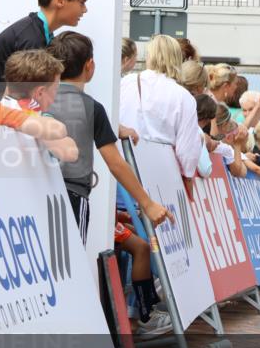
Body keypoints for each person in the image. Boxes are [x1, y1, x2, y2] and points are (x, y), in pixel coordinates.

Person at [46, 31, 172, 245]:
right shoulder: (91, 108)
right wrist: (147, 203)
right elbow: (115, 163)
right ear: (90, 66)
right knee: (71, 263)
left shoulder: (36, 100)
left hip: (38, 191)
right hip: (74, 194)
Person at [0, 0, 88, 102]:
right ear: (60, 1)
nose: (85, 10)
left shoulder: (37, 32)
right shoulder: (31, 39)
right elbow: (28, 97)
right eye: (82, 3)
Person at [119, 35, 202, 179]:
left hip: (124, 166)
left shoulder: (126, 82)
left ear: (149, 56)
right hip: (162, 174)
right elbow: (187, 151)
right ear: (177, 58)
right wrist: (188, 177)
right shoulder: (183, 97)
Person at [0, 50, 79, 162]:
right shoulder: (13, 113)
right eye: (55, 89)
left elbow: (72, 151)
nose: (56, 94)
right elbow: (70, 153)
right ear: (40, 92)